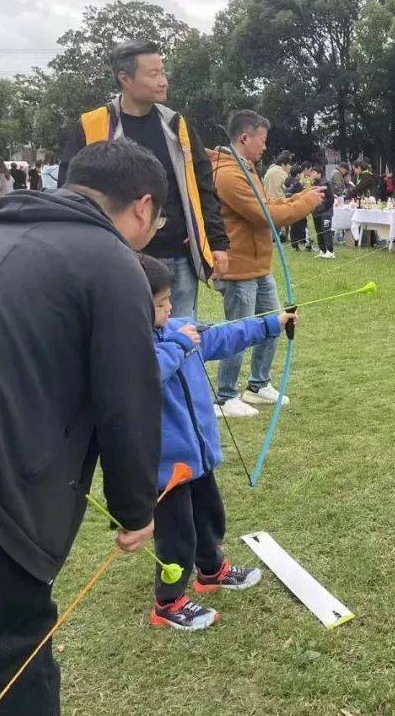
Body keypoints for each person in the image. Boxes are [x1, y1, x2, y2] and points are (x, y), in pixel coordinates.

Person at [0, 138, 165, 716]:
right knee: (10, 652)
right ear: (143, 206)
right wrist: (136, 510)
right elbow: (127, 399)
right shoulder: (111, 260)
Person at [138, 254, 294, 630]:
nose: (169, 308)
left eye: (169, 299)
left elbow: (225, 336)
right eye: (160, 304)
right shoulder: (132, 350)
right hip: (168, 468)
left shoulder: (181, 329)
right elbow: (147, 376)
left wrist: (272, 323)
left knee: (208, 517)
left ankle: (211, 570)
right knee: (176, 536)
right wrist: (178, 344)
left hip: (198, 455)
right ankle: (168, 603)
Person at [58, 40, 230, 317]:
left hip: (178, 255)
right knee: (126, 330)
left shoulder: (176, 125)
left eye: (163, 72)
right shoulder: (93, 126)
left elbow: (203, 186)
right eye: (153, 74)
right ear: (125, 79)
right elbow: (70, 192)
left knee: (181, 334)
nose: (163, 81)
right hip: (120, 256)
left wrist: (218, 243)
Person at [211, 110, 323, 417]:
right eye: (262, 139)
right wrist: (307, 203)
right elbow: (264, 215)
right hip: (238, 269)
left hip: (258, 266)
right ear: (244, 138)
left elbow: (269, 204)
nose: (265, 146)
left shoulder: (246, 168)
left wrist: (301, 197)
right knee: (240, 331)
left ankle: (258, 385)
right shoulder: (228, 174)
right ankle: (225, 396)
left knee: (275, 324)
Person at [284, 163, 313, 253]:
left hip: (290, 207)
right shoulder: (297, 184)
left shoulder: (287, 181)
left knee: (293, 226)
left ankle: (295, 245)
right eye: (301, 174)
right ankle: (307, 244)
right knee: (303, 226)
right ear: (298, 174)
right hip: (299, 207)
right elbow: (300, 195)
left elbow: (287, 193)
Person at [310, 163, 335, 258]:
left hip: (325, 212)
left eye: (313, 172)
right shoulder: (314, 184)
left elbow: (331, 199)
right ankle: (322, 250)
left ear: (319, 173)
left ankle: (330, 251)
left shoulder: (326, 183)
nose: (311, 174)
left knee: (326, 231)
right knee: (319, 231)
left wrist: (323, 209)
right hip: (316, 212)